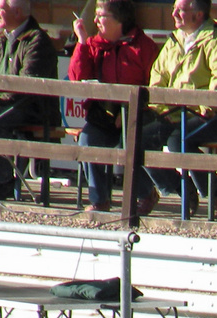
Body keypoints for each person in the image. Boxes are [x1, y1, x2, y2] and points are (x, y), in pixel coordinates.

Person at [138, 0, 217, 217]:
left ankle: (215, 190)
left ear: (199, 14)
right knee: (138, 139)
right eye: (174, 8)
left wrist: (205, 108)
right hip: (174, 115)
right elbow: (158, 77)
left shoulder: (216, 39)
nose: (173, 13)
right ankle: (182, 188)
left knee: (178, 140)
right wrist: (161, 107)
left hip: (214, 117)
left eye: (181, 10)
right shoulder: (174, 40)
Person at [69, 0, 158, 212]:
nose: (96, 20)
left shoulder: (143, 47)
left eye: (102, 16)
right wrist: (81, 41)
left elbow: (154, 86)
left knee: (128, 146)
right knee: (88, 140)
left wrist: (131, 111)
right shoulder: (94, 44)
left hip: (137, 114)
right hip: (103, 114)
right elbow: (77, 77)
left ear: (119, 20)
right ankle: (99, 201)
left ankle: (146, 192)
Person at [0, 0, 59, 202]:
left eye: (0, 8)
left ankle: (2, 182)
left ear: (17, 12)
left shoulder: (37, 40)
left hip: (32, 108)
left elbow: (27, 85)